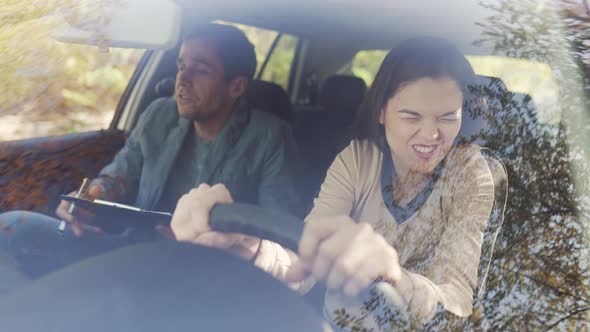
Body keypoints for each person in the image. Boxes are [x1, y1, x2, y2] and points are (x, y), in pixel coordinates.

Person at [168, 37, 495, 329]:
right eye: (411, 116)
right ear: (381, 112)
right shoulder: (358, 160)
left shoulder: (471, 175)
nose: (431, 135)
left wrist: (400, 283)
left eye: (448, 117)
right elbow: (301, 262)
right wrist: (249, 246)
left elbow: (458, 306)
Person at [0, 23, 302, 279]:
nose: (182, 80)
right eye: (181, 66)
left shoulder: (269, 136)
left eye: (200, 70)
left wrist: (215, 241)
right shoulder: (159, 115)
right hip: (135, 249)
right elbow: (119, 174)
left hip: (207, 271)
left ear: (236, 87)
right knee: (11, 227)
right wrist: (90, 199)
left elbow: (277, 228)